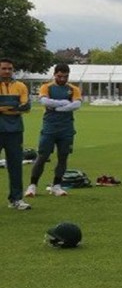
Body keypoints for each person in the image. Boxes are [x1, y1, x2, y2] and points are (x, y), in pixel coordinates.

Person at [25, 64, 82, 197]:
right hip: (49, 127)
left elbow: (77, 104)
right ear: (54, 75)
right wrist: (63, 103)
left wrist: (58, 107)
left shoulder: (73, 89)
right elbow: (45, 101)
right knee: (42, 156)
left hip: (66, 128)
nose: (62, 79)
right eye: (59, 76)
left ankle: (57, 185)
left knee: (63, 157)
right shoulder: (47, 87)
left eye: (65, 76)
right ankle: (32, 185)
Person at [0, 58, 32, 210]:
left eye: (10, 69)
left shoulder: (20, 86)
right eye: (4, 68)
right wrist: (13, 107)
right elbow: (18, 107)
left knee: (15, 167)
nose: (7, 71)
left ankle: (16, 199)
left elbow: (26, 107)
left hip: (14, 131)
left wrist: (3, 107)